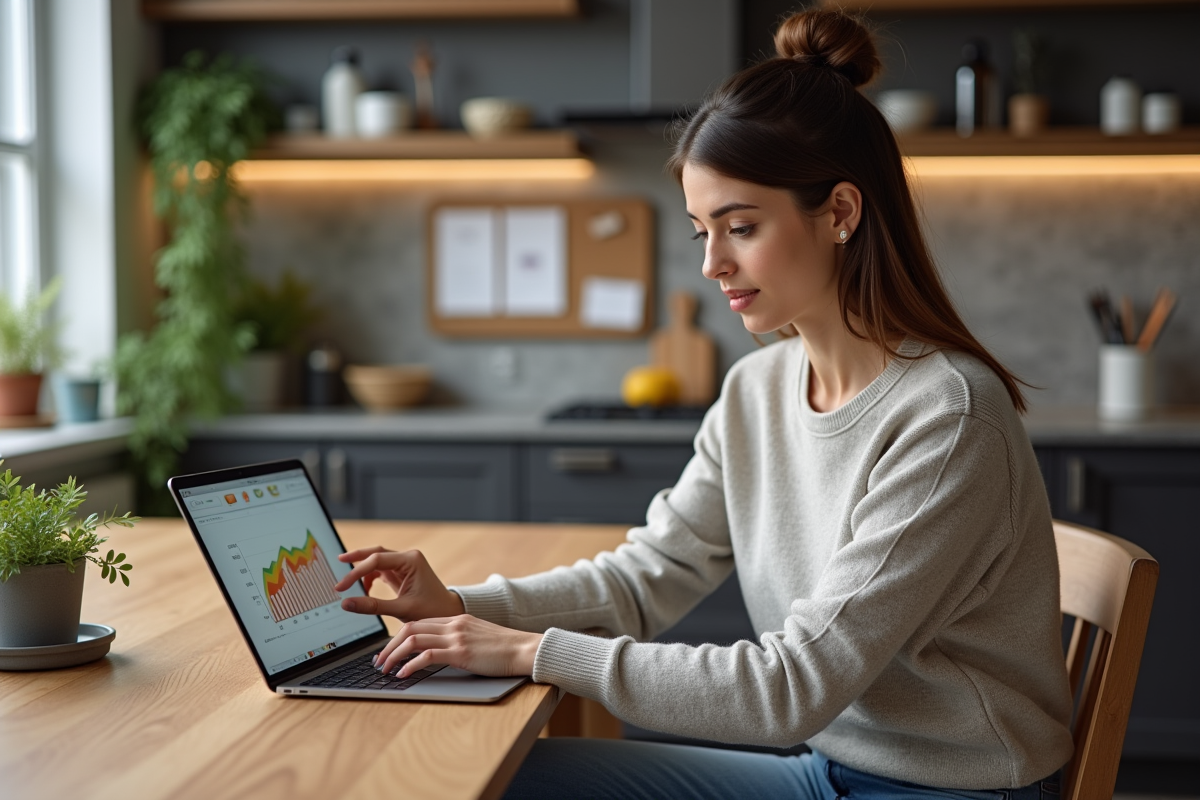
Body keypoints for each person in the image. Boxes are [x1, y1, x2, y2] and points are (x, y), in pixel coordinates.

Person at [331, 9, 1073, 799]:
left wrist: (528, 652)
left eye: (741, 227)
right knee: (490, 776)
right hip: (829, 767)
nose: (714, 264)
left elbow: (793, 687)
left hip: (947, 787)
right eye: (701, 233)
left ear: (842, 214)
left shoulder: (946, 417)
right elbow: (646, 579)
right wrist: (458, 605)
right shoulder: (757, 389)